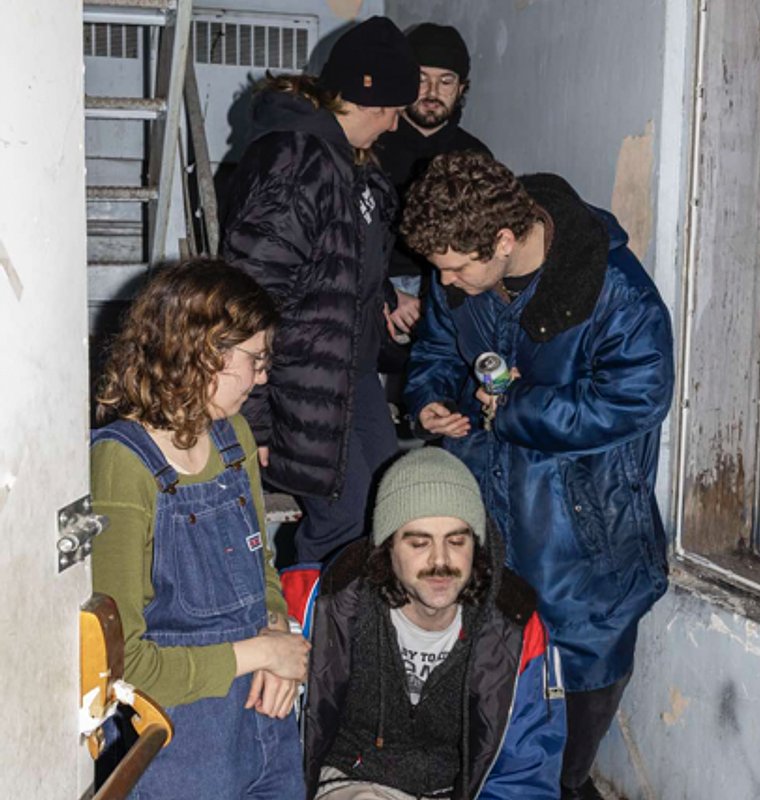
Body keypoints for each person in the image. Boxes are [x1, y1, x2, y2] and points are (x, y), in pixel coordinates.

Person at [400, 151, 674, 800]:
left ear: (503, 240)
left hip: (583, 533)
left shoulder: (617, 289)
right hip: (484, 516)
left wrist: (519, 409)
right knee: (490, 697)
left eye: (457, 269)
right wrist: (430, 398)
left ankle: (568, 785)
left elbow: (638, 396)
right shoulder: (460, 267)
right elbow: (437, 349)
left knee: (575, 709)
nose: (447, 283)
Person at [91, 260, 311, 800]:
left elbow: (261, 567)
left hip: (263, 722)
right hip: (180, 745)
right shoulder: (121, 464)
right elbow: (124, 665)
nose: (262, 377)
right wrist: (264, 654)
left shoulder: (234, 437)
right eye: (255, 359)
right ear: (205, 352)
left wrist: (278, 634)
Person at [221, 16, 421, 565]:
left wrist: (384, 299)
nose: (395, 125)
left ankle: (353, 619)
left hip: (349, 377)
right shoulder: (298, 160)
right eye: (394, 110)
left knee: (389, 510)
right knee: (343, 526)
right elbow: (250, 295)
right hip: (301, 384)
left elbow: (333, 264)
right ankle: (314, 619)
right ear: (367, 99)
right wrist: (254, 419)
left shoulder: (347, 164)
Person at [282, 447, 566, 799]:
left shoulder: (515, 627)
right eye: (419, 543)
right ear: (387, 546)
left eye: (457, 541)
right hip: (350, 780)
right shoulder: (319, 602)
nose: (440, 561)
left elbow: (525, 771)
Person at [375, 22, 491, 300]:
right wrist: (385, 293)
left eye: (446, 81)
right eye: (421, 78)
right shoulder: (371, 145)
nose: (432, 91)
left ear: (461, 88)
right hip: (377, 287)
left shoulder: (475, 156)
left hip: (451, 290)